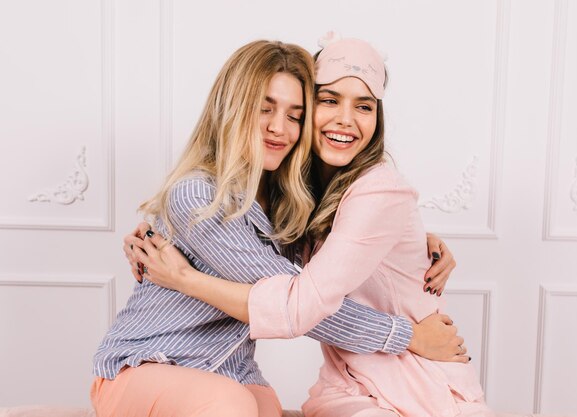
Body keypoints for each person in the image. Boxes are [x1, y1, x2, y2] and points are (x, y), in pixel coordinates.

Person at [93, 40, 464, 417]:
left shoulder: (290, 201)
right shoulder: (198, 196)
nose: (278, 128)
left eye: (295, 115)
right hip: (147, 365)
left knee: (259, 408)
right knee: (229, 405)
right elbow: (298, 305)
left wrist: (418, 243)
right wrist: (408, 336)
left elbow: (338, 252)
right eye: (264, 108)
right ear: (232, 109)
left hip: (231, 370)